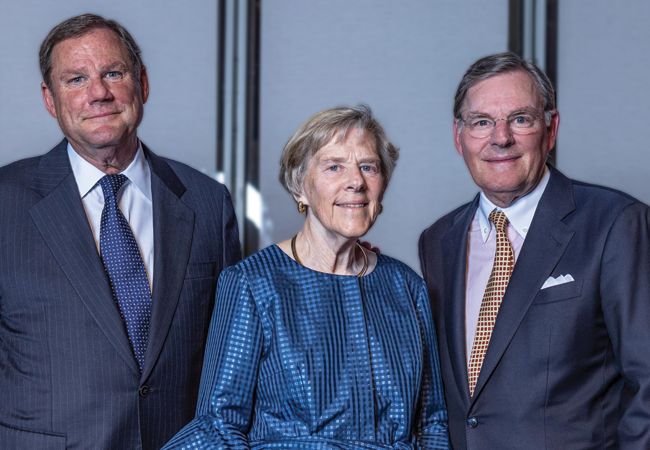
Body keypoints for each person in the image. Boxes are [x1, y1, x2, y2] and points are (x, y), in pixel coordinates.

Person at [0, 14, 241, 450]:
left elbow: (232, 358)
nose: (98, 93)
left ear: (142, 83)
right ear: (50, 99)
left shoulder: (207, 202)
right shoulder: (4, 203)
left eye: (113, 73)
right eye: (75, 79)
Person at [163, 105, 451, 450]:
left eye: (368, 167)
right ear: (299, 187)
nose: (356, 181)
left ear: (382, 187)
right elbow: (219, 426)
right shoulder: (252, 283)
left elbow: (433, 421)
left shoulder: (406, 286)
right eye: (334, 166)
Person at [419, 51, 650, 449]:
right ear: (459, 137)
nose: (501, 137)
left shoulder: (615, 223)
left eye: (520, 119)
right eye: (482, 123)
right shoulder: (439, 240)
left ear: (551, 128)